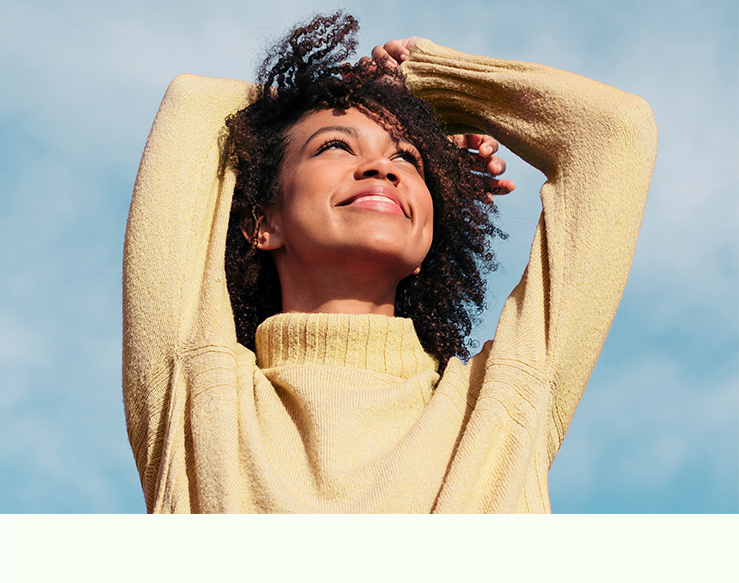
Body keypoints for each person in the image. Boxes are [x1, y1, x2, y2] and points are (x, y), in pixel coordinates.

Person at [123, 13, 657, 513]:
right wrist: (356, 92)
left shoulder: (499, 405)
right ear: (263, 224)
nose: (381, 164)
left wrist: (434, 85)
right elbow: (196, 104)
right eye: (335, 145)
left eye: (408, 157)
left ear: (429, 243)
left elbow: (614, 132)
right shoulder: (194, 390)